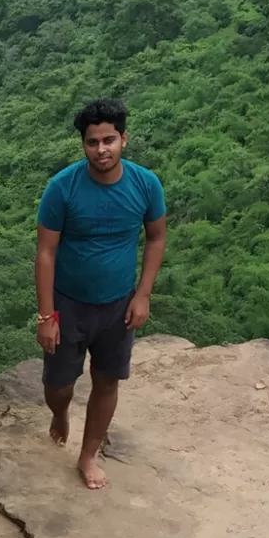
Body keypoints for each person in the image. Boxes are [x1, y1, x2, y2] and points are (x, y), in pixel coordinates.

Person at [35, 98, 168, 490]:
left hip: (118, 304)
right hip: (69, 303)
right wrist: (46, 317)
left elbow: (157, 237)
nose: (102, 149)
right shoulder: (63, 188)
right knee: (58, 386)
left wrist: (143, 294)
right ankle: (60, 414)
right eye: (93, 142)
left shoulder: (145, 184)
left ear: (124, 139)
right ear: (84, 146)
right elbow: (45, 252)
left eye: (109, 139)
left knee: (107, 380)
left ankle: (88, 455)